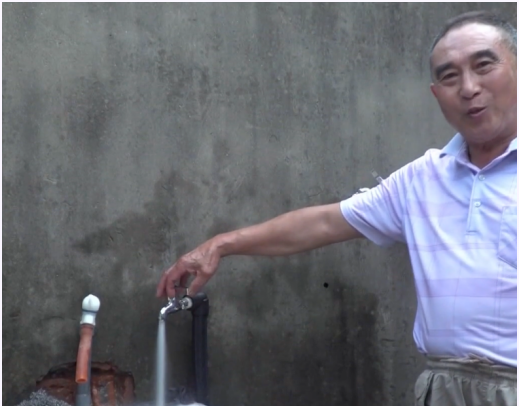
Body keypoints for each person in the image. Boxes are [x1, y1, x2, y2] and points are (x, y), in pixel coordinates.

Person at [156, 11, 517, 406]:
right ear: (436, 94)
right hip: (444, 388)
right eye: (449, 76)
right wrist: (221, 244)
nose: (468, 88)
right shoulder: (423, 178)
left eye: (484, 66)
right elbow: (324, 223)